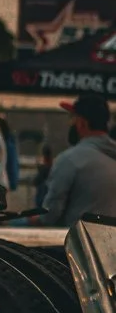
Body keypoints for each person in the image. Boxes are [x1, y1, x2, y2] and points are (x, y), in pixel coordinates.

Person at [40, 94, 116, 227]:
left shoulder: (69, 160)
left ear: (82, 123)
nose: (70, 124)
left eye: (72, 119)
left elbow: (49, 215)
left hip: (76, 244)